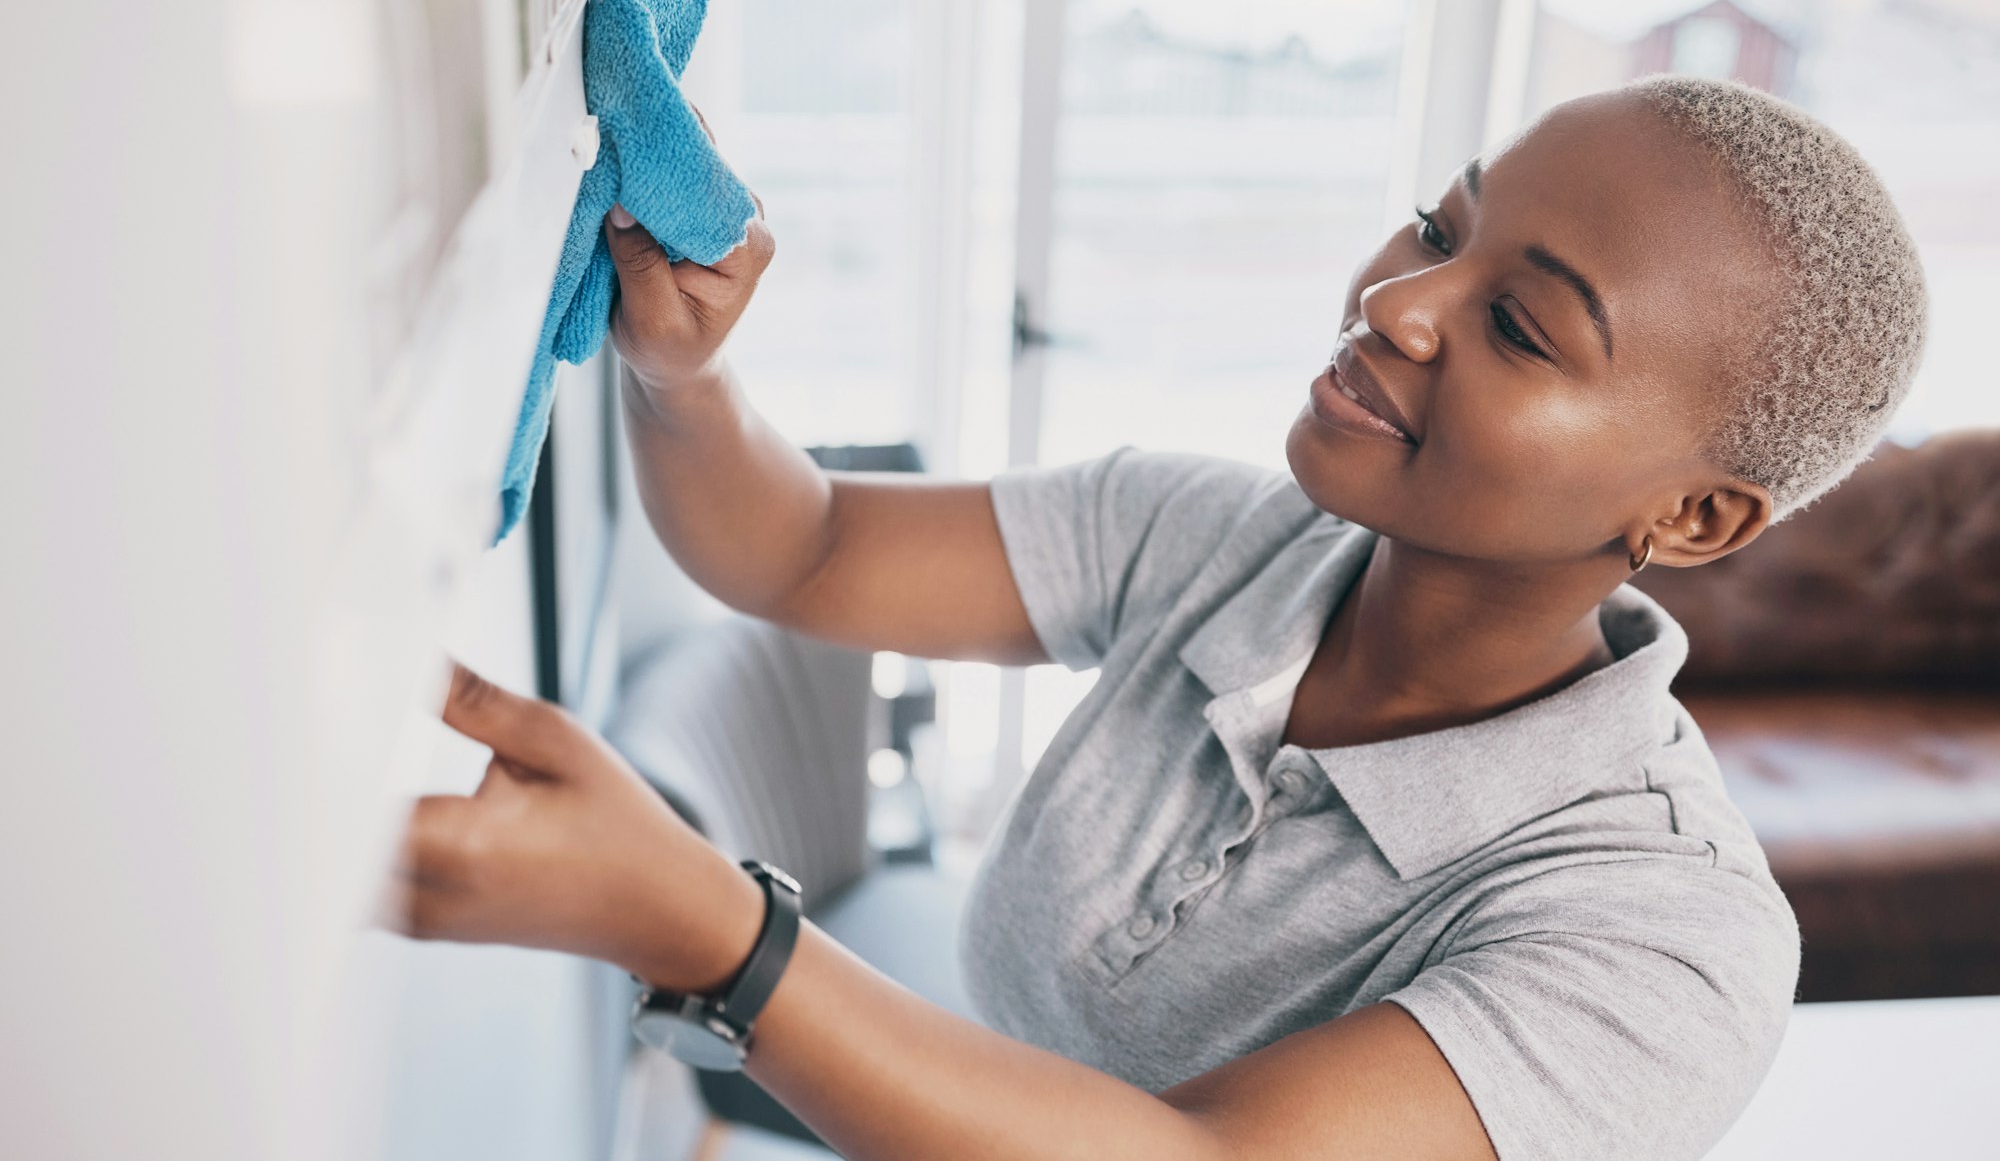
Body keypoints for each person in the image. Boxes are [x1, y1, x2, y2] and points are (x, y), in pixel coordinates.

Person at [391, 74, 1928, 1160]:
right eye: (1435, 226)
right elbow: (804, 551)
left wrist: (716, 934)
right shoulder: (1225, 538)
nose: (1399, 303)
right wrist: (686, 372)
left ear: (1696, 519)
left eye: (1519, 324)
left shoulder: (1674, 944)